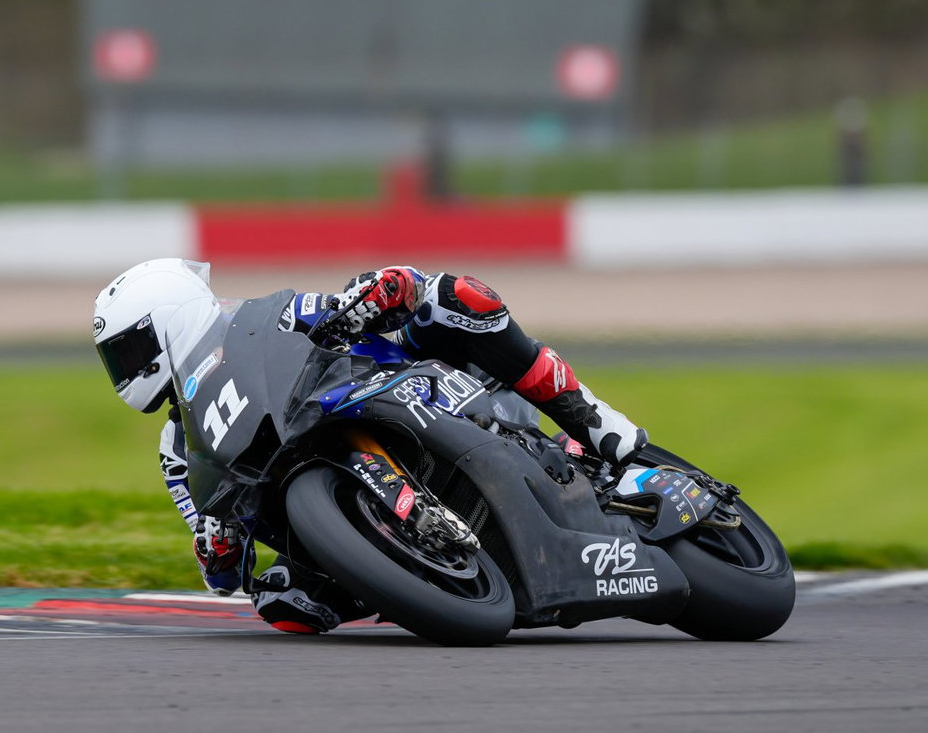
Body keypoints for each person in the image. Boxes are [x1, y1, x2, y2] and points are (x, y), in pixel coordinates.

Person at [92, 258, 646, 634]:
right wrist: (215, 543)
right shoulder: (177, 450)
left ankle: (592, 420)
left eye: (129, 350)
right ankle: (420, 578)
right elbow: (217, 568)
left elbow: (363, 300)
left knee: (455, 297)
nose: (126, 370)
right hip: (313, 480)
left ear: (170, 319)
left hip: (399, 391)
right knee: (284, 604)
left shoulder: (264, 322)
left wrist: (376, 295)